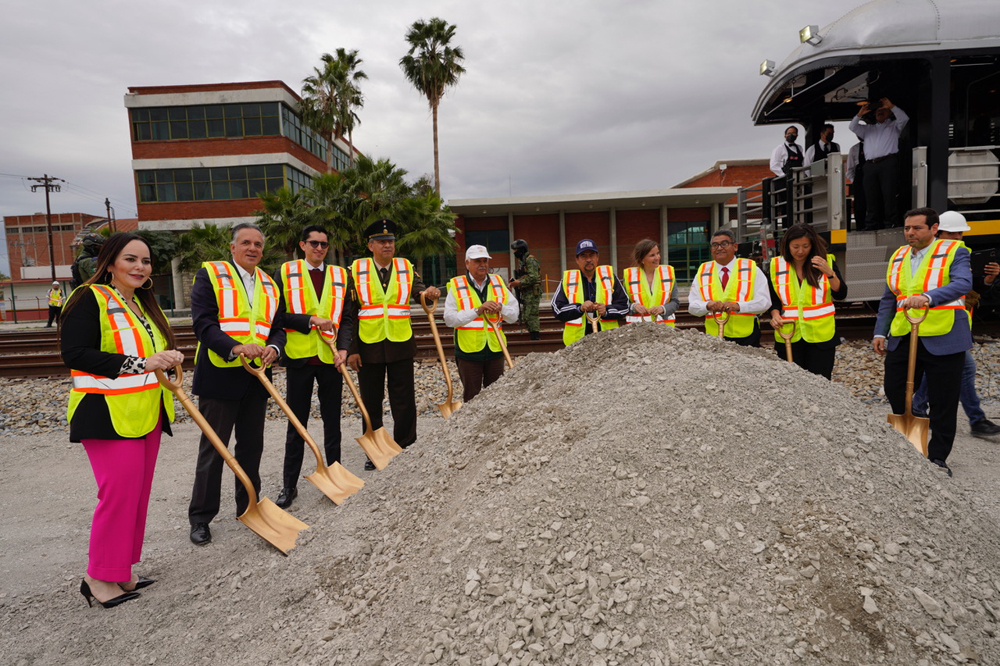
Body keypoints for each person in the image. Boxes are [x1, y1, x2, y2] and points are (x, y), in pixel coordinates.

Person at [59, 232, 184, 608]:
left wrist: (166, 357)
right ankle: (97, 577)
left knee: (136, 496)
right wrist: (141, 363)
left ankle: (122, 570)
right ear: (110, 262)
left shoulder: (143, 305)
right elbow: (74, 353)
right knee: (117, 496)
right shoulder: (88, 296)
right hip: (105, 414)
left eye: (145, 262)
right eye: (131, 259)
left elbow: (148, 353)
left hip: (146, 412)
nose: (140, 267)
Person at [188, 223, 286, 545]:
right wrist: (235, 347)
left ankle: (249, 506)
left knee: (251, 449)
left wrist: (274, 348)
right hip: (220, 375)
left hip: (256, 379)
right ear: (232, 248)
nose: (253, 248)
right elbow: (203, 323)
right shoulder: (211, 275)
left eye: (258, 244)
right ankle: (201, 518)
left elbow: (278, 327)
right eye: (246, 243)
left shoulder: (271, 284)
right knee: (214, 451)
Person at [873, 208, 972, 476]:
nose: (910, 233)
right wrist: (880, 333)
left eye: (917, 228)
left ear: (934, 228)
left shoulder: (954, 251)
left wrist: (928, 297)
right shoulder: (899, 255)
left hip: (944, 334)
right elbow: (889, 297)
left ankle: (938, 456)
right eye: (907, 228)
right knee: (894, 387)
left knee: (943, 400)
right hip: (905, 333)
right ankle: (909, 444)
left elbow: (963, 283)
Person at [346, 219, 440, 470]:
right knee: (371, 400)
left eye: (390, 241)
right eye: (381, 241)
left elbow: (418, 291)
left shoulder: (406, 267)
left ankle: (406, 445)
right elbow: (350, 312)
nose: (387, 245)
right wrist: (352, 350)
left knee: (404, 398)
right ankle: (375, 450)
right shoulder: (355, 270)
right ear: (370, 245)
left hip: (400, 342)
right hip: (368, 344)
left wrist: (428, 293)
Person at [272, 225, 354, 509]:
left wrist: (344, 348)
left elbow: (347, 317)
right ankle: (288, 485)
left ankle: (335, 476)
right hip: (300, 359)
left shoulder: (341, 275)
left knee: (333, 422)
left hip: (332, 359)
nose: (320, 249)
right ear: (302, 245)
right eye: (314, 244)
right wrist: (309, 320)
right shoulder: (285, 272)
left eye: (324, 244)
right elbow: (277, 315)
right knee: (297, 424)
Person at [909, 212, 1000, 438]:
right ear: (936, 232)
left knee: (954, 368)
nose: (957, 237)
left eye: (960, 233)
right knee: (958, 368)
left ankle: (919, 407)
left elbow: (974, 287)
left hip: (953, 324)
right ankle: (976, 421)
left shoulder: (961, 253)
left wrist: (988, 280)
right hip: (932, 323)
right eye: (952, 233)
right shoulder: (928, 258)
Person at [766, 223, 848, 379]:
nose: (800, 251)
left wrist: (829, 273)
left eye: (805, 246)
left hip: (821, 336)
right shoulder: (777, 265)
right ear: (787, 245)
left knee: (820, 383)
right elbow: (773, 299)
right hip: (790, 334)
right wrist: (775, 315)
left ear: (812, 245)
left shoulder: (826, 262)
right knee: (792, 385)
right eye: (795, 246)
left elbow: (841, 294)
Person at [443, 245, 519, 402]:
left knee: (497, 397)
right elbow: (449, 319)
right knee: (472, 398)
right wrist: (477, 310)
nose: (482, 264)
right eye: (477, 261)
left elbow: (514, 315)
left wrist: (501, 308)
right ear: (467, 263)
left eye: (485, 260)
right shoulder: (457, 285)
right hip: (469, 351)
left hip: (496, 348)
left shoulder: (498, 282)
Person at [688, 229, 771, 347]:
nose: (719, 248)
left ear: (735, 246)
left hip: (746, 336)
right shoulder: (703, 271)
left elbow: (764, 303)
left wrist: (738, 306)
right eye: (715, 245)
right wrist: (707, 305)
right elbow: (692, 307)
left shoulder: (751, 269)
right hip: (713, 337)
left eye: (724, 244)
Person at [551, 239, 630, 345]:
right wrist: (579, 308)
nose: (588, 259)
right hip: (576, 343)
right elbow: (557, 309)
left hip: (608, 340)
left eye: (592, 255)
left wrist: (606, 310)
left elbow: (624, 306)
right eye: (583, 256)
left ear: (597, 257)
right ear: (577, 260)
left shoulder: (609, 277)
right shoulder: (569, 280)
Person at [849, 98, 909, 230]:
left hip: (888, 162)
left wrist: (891, 106)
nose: (880, 112)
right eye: (878, 110)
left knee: (889, 194)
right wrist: (860, 114)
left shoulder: (894, 126)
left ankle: (890, 223)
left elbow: (904, 118)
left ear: (889, 113)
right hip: (870, 165)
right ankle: (871, 224)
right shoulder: (868, 129)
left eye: (883, 110)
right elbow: (852, 127)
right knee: (870, 195)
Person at [622, 239, 679, 326]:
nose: (657, 258)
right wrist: (634, 307)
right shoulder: (630, 277)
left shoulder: (668, 273)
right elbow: (622, 302)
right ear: (642, 259)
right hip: (638, 330)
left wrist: (663, 309)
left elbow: (675, 302)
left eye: (658, 253)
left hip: (665, 330)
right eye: (652, 255)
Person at [769, 126, 803, 227]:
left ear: (797, 135)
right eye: (789, 133)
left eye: (793, 133)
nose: (791, 135)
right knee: (785, 207)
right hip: (783, 182)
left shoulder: (800, 148)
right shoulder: (779, 148)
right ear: (785, 135)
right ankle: (786, 228)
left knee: (798, 205)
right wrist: (785, 176)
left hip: (797, 181)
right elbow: (773, 166)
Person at [509, 239, 541, 340]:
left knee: (531, 315)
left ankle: (535, 337)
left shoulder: (530, 260)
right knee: (526, 316)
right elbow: (525, 275)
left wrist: (519, 282)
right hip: (526, 292)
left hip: (532, 292)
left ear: (521, 250)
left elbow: (533, 277)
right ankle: (533, 335)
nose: (514, 253)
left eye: (516, 250)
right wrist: (516, 282)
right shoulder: (522, 261)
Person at [846, 139, 867, 232]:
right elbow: (850, 169)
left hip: (874, 177)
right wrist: (855, 181)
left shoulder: (876, 146)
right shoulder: (854, 149)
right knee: (860, 205)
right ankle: (860, 226)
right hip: (859, 179)